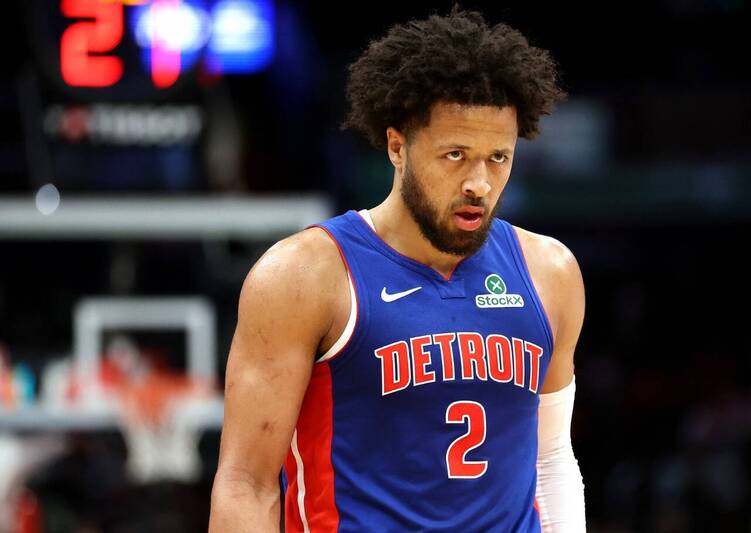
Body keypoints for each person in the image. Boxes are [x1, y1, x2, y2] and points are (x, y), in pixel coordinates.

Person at [209, 6, 586, 532]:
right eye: (455, 155)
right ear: (397, 147)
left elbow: (552, 461)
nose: (478, 182)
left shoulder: (550, 272)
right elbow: (245, 485)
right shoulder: (305, 276)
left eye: (497, 158)